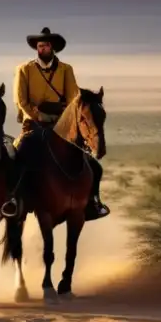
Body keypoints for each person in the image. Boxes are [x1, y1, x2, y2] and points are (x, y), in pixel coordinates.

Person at [13, 27, 108, 220]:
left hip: (62, 125)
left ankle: (92, 202)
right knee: (19, 154)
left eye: (46, 45)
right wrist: (39, 115)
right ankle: (15, 200)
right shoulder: (24, 69)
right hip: (34, 123)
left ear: (53, 47)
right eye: (40, 46)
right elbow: (20, 100)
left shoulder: (66, 69)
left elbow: (74, 98)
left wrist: (61, 115)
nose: (43, 48)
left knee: (93, 165)